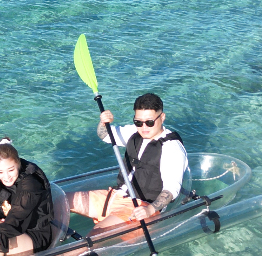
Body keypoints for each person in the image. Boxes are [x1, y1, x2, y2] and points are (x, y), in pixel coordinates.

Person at [67, 93, 189, 232]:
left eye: (149, 122)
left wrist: (149, 210)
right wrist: (104, 123)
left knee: (96, 234)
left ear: (162, 117)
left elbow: (172, 189)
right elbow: (105, 135)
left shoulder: (172, 148)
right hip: (117, 195)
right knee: (60, 200)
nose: (144, 127)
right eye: (138, 122)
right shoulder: (134, 132)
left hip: (141, 206)